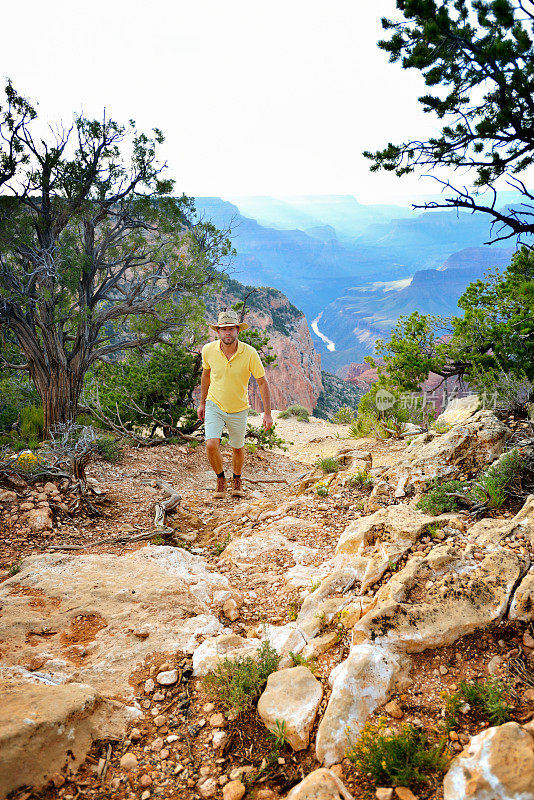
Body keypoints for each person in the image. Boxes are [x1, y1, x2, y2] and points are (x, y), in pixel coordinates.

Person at [197, 309, 273, 499]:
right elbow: (206, 375)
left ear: (238, 330)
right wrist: (202, 403)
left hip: (239, 407)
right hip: (214, 403)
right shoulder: (208, 350)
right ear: (218, 332)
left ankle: (237, 480)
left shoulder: (249, 353)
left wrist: (267, 413)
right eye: (224, 329)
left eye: (231, 329)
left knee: (238, 447)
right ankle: (221, 480)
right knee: (211, 445)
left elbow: (262, 382)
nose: (228, 333)